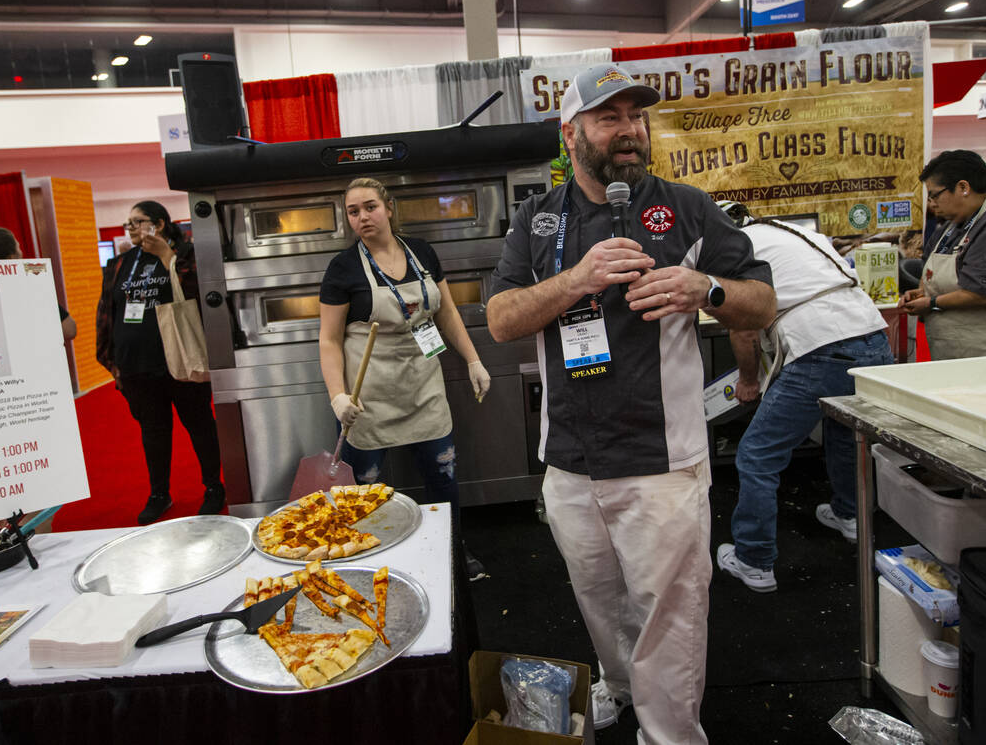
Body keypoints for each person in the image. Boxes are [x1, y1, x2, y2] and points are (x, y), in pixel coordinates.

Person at [486, 63, 775, 744]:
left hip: (661, 462)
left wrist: (703, 289)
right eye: (609, 116)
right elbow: (500, 319)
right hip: (570, 464)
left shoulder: (687, 207)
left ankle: (670, 734)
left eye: (636, 116)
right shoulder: (537, 219)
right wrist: (575, 280)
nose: (629, 130)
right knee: (600, 601)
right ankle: (619, 685)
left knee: (670, 616)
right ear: (572, 132)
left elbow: (761, 301)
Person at [711, 201, 895, 594]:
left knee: (757, 455)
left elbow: (742, 330)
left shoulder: (735, 248)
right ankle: (850, 517)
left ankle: (754, 561)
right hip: (874, 337)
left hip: (820, 346)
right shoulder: (799, 234)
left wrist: (748, 380)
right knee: (845, 433)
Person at [319, 177, 492, 579]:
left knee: (443, 479)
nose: (362, 217)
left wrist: (472, 360)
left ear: (389, 207)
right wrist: (338, 396)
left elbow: (446, 312)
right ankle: (370, 562)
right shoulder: (343, 268)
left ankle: (451, 551)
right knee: (365, 494)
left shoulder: (422, 252)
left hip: (423, 387)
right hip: (367, 398)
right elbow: (328, 340)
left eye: (370, 207)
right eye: (353, 211)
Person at [95, 200, 225, 524]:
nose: (132, 229)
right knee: (153, 432)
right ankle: (159, 494)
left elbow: (201, 295)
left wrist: (167, 257)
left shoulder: (186, 255)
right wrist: (109, 357)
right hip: (136, 364)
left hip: (181, 359)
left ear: (160, 224)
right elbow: (107, 311)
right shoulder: (119, 263)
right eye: (129, 224)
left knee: (199, 425)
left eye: (138, 222)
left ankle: (213, 487)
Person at [898, 150, 986, 358]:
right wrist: (922, 293)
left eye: (935, 195)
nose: (931, 203)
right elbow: (930, 272)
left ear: (963, 187)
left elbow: (985, 293)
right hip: (954, 350)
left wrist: (932, 303)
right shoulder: (949, 227)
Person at [0, 227, 77, 342]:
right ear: (11, 258)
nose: (21, 252)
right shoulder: (29, 291)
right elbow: (69, 329)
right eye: (18, 247)